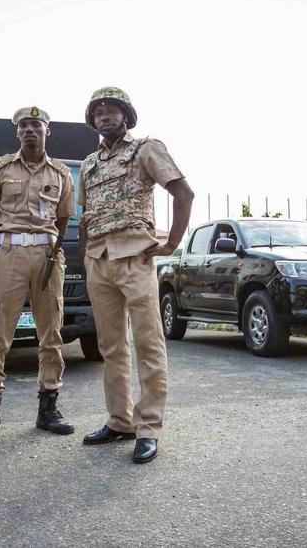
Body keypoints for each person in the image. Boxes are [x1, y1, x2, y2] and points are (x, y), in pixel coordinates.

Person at [78, 87, 194, 465]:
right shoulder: (88, 163)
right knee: (110, 346)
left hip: (136, 256)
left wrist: (171, 243)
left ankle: (149, 427)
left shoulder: (146, 148)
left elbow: (183, 192)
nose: (105, 115)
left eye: (112, 110)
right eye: (98, 111)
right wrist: (85, 256)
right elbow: (85, 217)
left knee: (148, 343)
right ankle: (120, 420)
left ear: (126, 116)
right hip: (99, 260)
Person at [0, 106, 76, 450]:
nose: (30, 130)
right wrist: (1, 252)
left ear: (48, 131)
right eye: (25, 126)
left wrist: (52, 249)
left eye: (37, 125)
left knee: (51, 334)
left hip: (47, 256)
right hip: (10, 253)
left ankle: (48, 410)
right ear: (17, 132)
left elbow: (63, 219)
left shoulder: (61, 173)